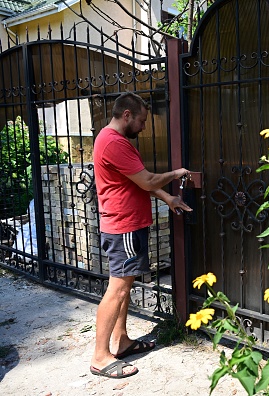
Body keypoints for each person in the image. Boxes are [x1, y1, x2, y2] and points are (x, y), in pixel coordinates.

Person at [89, 92, 192, 379]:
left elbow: (137, 181)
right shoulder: (113, 142)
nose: (144, 126)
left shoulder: (111, 140)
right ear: (127, 115)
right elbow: (146, 179)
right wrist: (176, 174)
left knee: (125, 286)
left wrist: (167, 199)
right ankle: (100, 356)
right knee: (117, 289)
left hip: (126, 224)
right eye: (142, 120)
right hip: (124, 226)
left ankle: (120, 341)